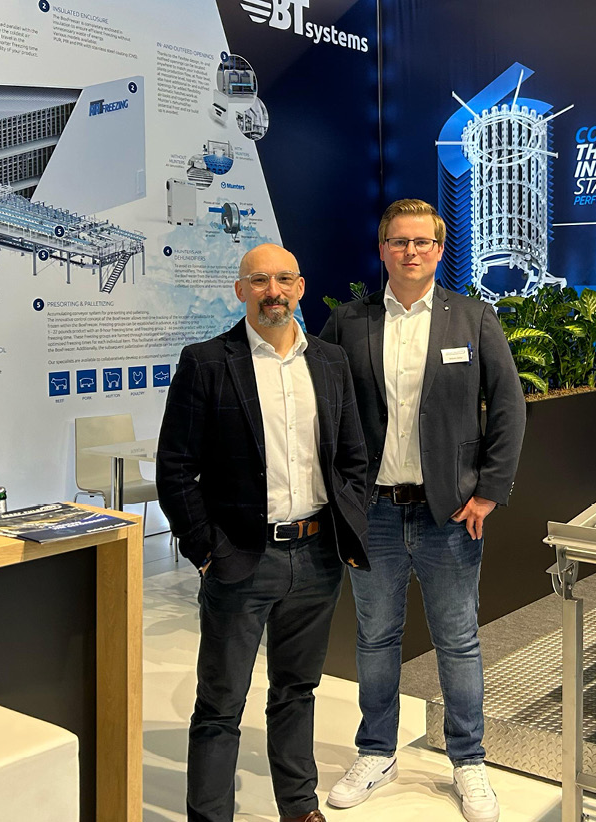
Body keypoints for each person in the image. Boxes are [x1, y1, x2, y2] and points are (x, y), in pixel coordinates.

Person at [320, 199, 525, 822]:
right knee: (375, 637)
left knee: (458, 641)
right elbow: (320, 411)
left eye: (422, 242)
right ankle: (376, 751)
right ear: (382, 249)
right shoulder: (347, 324)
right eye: (399, 241)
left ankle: (468, 760)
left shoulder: (474, 317)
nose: (411, 251)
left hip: (449, 515)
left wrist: (489, 491)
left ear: (439, 250)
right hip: (374, 513)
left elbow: (509, 406)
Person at [156, 243, 371, 822]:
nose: (272, 291)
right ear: (240, 291)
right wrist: (206, 550)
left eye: (283, 279)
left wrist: (346, 524)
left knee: (297, 690)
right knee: (220, 705)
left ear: (300, 287)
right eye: (258, 280)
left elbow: (353, 457)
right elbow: (175, 467)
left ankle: (299, 808)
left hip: (317, 557)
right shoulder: (206, 362)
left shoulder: (329, 361)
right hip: (240, 559)